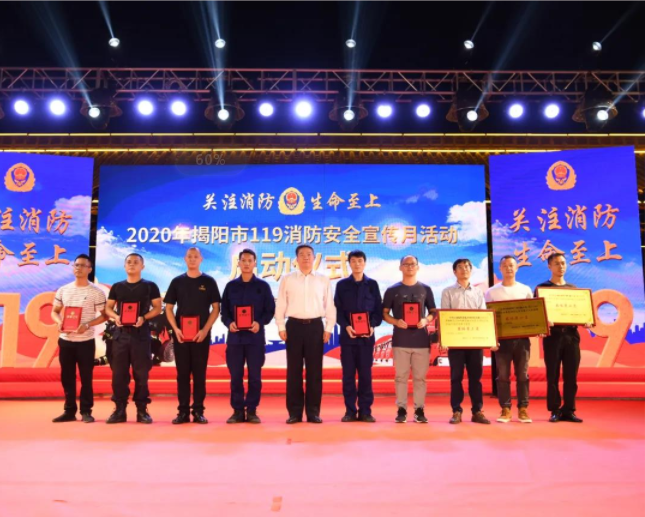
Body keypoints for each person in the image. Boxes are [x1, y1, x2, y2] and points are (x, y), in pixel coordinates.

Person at [275, 245, 336, 424]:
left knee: (314, 372)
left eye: (309, 254)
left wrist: (328, 328)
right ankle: (294, 413)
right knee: (294, 371)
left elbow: (329, 305)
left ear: (314, 258)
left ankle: (313, 412)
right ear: (296, 259)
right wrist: (281, 326)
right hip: (293, 326)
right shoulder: (287, 279)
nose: (306, 257)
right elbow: (281, 303)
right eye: (301, 255)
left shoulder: (323, 280)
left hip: (315, 327)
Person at [164, 247, 221, 424]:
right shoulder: (177, 281)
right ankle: (182, 412)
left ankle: (198, 411)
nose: (192, 259)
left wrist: (205, 330)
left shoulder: (209, 281)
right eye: (189, 256)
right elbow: (168, 308)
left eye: (196, 256)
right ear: (185, 259)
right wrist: (175, 329)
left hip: (201, 336)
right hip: (181, 336)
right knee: (182, 375)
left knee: (199, 374)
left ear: (201, 259)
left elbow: (216, 308)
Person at [104, 253, 162, 424]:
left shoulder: (150, 286)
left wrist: (143, 317)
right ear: (124, 266)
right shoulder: (117, 286)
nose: (132, 264)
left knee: (141, 375)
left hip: (141, 335)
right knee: (119, 375)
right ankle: (119, 410)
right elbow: (108, 308)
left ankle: (142, 410)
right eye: (128, 262)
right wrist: (116, 316)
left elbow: (157, 308)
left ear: (142, 266)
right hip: (120, 335)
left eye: (136, 262)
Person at [220, 249, 275, 424]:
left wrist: (260, 322)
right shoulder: (230, 286)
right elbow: (224, 312)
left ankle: (251, 410)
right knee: (236, 376)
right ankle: (237, 411)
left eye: (250, 260)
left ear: (255, 263)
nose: (246, 263)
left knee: (255, 377)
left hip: (255, 339)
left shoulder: (263, 286)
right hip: (235, 340)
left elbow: (270, 310)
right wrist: (229, 323)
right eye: (243, 260)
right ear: (238, 263)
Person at [50, 254, 107, 423]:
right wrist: (59, 322)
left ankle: (86, 411)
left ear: (89, 269)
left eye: (83, 265)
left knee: (86, 378)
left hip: (85, 342)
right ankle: (69, 411)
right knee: (67, 377)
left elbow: (104, 316)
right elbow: (54, 311)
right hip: (66, 341)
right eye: (76, 265)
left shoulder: (96, 292)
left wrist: (87, 325)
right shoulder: (63, 290)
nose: (78, 268)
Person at [535, 252, 589, 423]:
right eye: (557, 263)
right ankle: (555, 410)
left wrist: (586, 319)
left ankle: (569, 410)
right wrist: (543, 322)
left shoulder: (573, 289)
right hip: (553, 337)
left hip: (572, 336)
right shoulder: (542, 288)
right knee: (552, 375)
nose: (561, 266)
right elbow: (537, 314)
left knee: (571, 375)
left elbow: (581, 312)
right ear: (549, 266)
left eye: (563, 263)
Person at [382, 255, 436, 424]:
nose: (410, 267)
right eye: (406, 264)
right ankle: (401, 409)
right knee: (401, 377)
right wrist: (396, 321)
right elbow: (384, 313)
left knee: (420, 378)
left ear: (418, 267)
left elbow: (433, 312)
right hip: (401, 340)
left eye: (413, 264)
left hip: (421, 341)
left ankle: (419, 410)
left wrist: (426, 320)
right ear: (400, 267)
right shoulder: (392, 290)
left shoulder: (425, 289)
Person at [333, 250, 383, 423]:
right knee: (348, 376)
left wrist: (372, 325)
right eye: (353, 261)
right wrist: (346, 326)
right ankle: (349, 411)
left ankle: (365, 411)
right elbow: (337, 310)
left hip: (366, 339)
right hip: (348, 339)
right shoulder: (342, 285)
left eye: (360, 261)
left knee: (365, 376)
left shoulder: (372, 285)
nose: (357, 264)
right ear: (349, 264)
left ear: (365, 263)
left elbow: (378, 310)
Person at [440, 258, 491, 425]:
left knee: (476, 378)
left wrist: (487, 338)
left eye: (467, 267)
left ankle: (477, 411)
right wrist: (444, 339)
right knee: (456, 378)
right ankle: (456, 411)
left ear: (471, 270)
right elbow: (444, 317)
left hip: (474, 342)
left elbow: (483, 316)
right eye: (460, 267)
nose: (464, 270)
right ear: (454, 272)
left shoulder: (478, 293)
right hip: (455, 342)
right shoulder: (447, 292)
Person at [484, 255, 533, 424]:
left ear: (517, 268)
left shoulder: (525, 289)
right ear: (500, 269)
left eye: (511, 265)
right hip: (502, 341)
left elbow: (532, 314)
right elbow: (487, 318)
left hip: (522, 340)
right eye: (504, 265)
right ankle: (505, 408)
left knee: (523, 375)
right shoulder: (491, 292)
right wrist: (491, 339)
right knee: (503, 376)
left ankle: (523, 408)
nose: (508, 268)